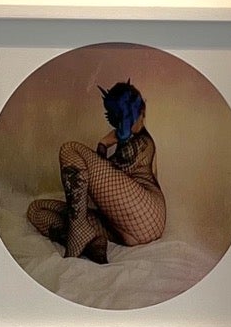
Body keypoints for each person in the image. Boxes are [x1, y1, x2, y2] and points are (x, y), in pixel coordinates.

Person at [25, 78, 166, 265]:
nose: (139, 119)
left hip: (147, 213)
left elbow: (99, 179)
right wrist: (106, 144)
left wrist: (104, 143)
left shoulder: (142, 143)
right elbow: (104, 183)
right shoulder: (133, 142)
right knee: (37, 210)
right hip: (123, 226)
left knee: (69, 149)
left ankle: (78, 231)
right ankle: (91, 242)